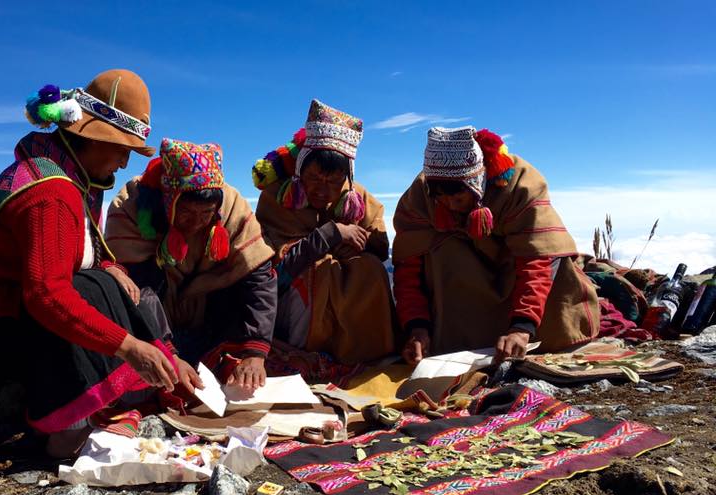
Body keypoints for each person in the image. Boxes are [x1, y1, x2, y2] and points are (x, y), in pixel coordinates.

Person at [0, 70, 200, 456]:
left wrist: (111, 272)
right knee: (85, 292)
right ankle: (67, 427)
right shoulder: (52, 193)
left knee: (104, 283)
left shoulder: (73, 177)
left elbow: (79, 254)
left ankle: (82, 406)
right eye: (122, 148)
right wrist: (130, 348)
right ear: (93, 137)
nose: (125, 162)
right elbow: (46, 294)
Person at [392, 126, 599, 364]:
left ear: (476, 184)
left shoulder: (520, 186)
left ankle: (536, 333)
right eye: (442, 198)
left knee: (553, 258)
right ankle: (454, 339)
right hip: (466, 277)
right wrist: (417, 328)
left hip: (516, 269)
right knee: (442, 253)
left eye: (458, 198)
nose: (450, 205)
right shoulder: (421, 197)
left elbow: (536, 261)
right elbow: (408, 270)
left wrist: (522, 328)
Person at [105, 138, 277, 391]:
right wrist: (168, 354)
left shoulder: (231, 208)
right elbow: (140, 287)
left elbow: (258, 278)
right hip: (157, 307)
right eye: (185, 212)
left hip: (212, 309)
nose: (196, 224)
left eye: (206, 214)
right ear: (168, 201)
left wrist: (255, 351)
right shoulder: (133, 204)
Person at [252, 100, 397, 365]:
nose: (323, 190)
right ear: (299, 171)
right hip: (291, 302)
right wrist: (331, 234)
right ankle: (304, 354)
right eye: (314, 178)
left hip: (346, 297)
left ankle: (365, 353)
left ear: (347, 177)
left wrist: (357, 244)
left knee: (371, 268)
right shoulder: (277, 197)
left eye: (333, 181)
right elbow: (275, 271)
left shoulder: (357, 197)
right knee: (314, 272)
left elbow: (379, 244)